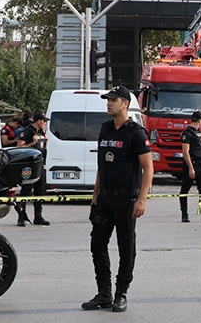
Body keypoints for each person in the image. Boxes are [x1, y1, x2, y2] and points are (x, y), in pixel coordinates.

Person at [82, 85, 153, 312]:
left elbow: (148, 168)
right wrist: (95, 192)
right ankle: (104, 293)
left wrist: (142, 199)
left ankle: (121, 293)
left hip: (126, 200)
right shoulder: (105, 129)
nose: (108, 103)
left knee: (126, 247)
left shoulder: (135, 133)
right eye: (108, 100)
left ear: (125, 103)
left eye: (113, 100)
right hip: (105, 199)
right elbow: (102, 164)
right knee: (97, 244)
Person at [16, 113, 51, 227]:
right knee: (26, 191)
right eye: (44, 121)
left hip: (39, 165)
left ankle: (38, 216)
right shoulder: (26, 132)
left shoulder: (40, 132)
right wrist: (32, 143)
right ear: (39, 121)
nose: (45, 123)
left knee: (39, 192)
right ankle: (21, 216)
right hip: (29, 167)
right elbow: (19, 147)